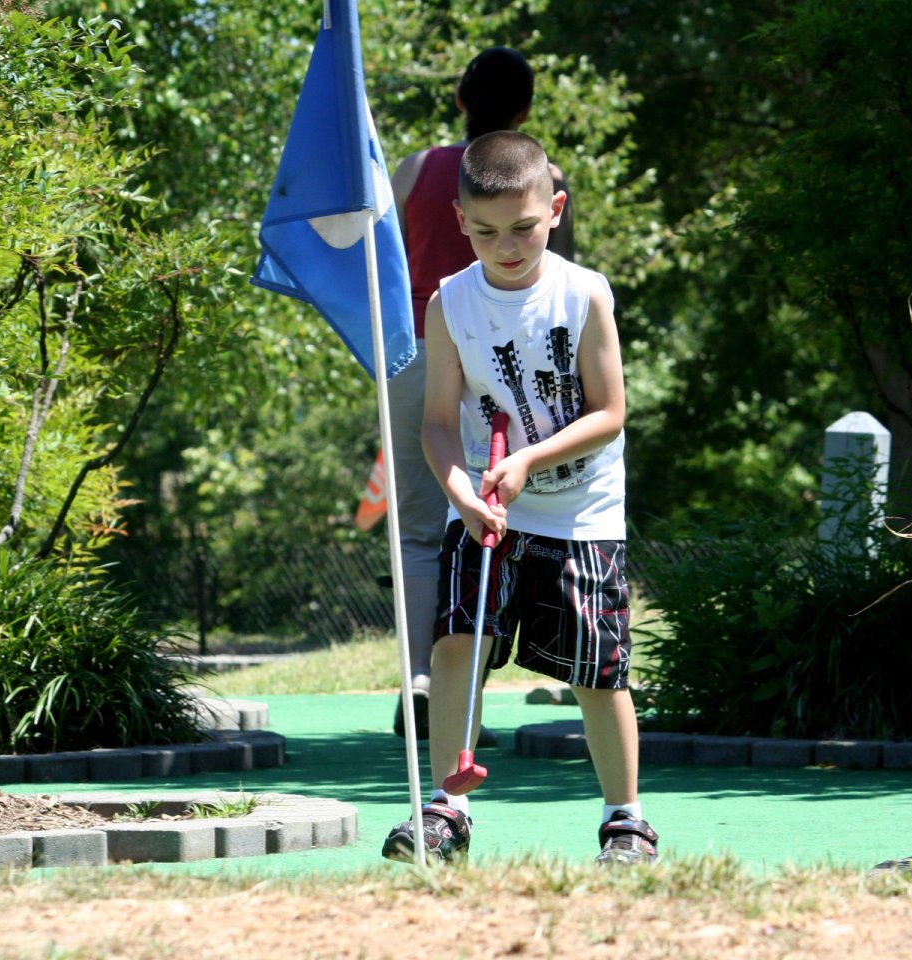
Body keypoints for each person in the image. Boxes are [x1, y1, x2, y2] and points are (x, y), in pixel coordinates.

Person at [381, 131, 657, 866]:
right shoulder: (449, 304)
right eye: (485, 231)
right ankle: (447, 810)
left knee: (597, 671)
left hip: (581, 508)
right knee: (454, 645)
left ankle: (626, 821)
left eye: (524, 228)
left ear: (555, 210)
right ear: (460, 220)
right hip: (484, 503)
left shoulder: (583, 293)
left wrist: (530, 458)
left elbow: (610, 412)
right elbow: (439, 424)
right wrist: (462, 494)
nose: (506, 246)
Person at [386, 47, 573, 742]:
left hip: (414, 350)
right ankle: (466, 695)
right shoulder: (541, 180)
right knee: (496, 517)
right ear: (523, 110)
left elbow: (385, 264)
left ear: (461, 98)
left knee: (418, 531)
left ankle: (421, 679)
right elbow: (559, 282)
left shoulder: (416, 168)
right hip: (505, 360)